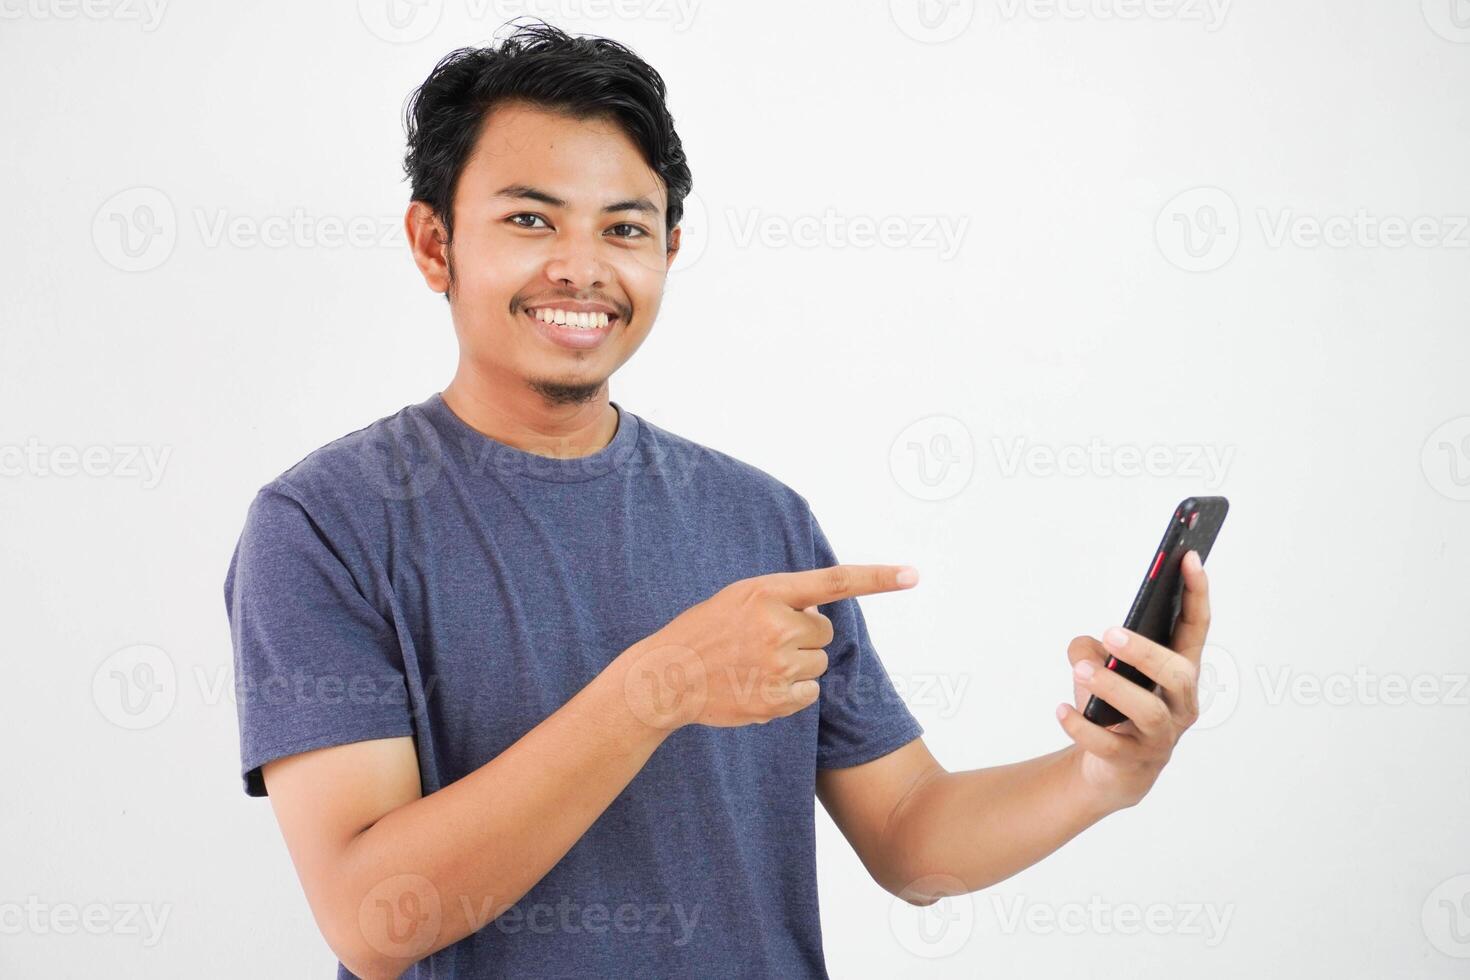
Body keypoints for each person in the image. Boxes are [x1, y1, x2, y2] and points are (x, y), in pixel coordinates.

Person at [222, 20, 1214, 980]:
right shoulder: (323, 525)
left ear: (669, 249)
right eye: (530, 218)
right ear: (434, 244)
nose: (582, 265)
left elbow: (912, 833)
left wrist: (1099, 776)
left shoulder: (761, 518)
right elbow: (373, 917)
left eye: (625, 227)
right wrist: (661, 684)